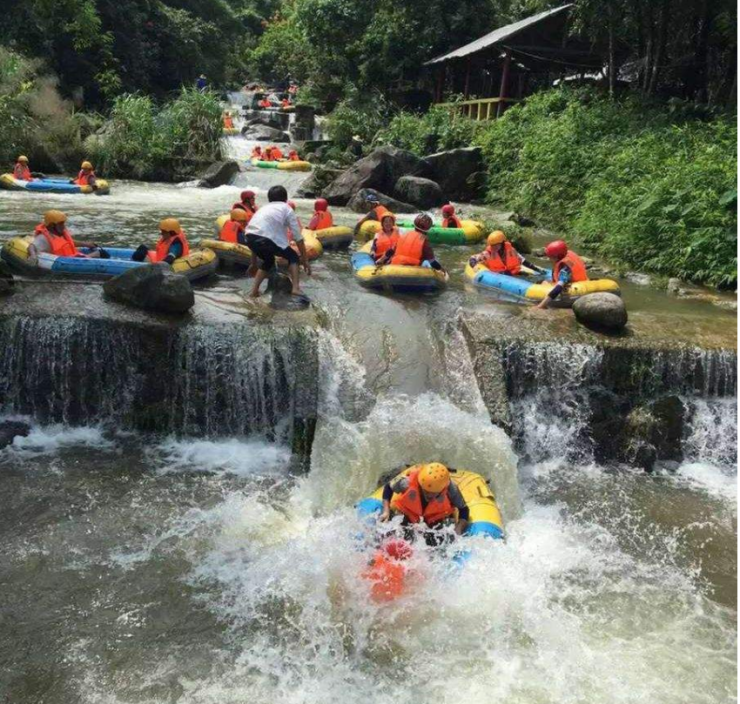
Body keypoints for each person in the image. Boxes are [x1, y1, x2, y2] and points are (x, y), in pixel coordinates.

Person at [245, 184, 311, 297]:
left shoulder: (262, 209)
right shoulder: (287, 208)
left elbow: (256, 235)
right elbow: (298, 238)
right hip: (267, 239)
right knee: (293, 256)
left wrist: (253, 263)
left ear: (269, 199)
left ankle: (254, 291)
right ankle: (295, 288)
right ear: (285, 199)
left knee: (269, 261)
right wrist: (305, 260)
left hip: (249, 237)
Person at [379, 463, 469, 544]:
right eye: (426, 491)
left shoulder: (451, 489)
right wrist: (386, 511)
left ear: (442, 489)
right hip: (410, 517)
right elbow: (388, 487)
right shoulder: (407, 483)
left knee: (437, 543)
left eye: (433, 493)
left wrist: (458, 529)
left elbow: (464, 509)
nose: (429, 495)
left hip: (435, 522)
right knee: (392, 536)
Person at [28, 210, 106, 262]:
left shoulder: (58, 233)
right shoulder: (43, 238)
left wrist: (86, 244)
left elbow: (70, 242)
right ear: (52, 226)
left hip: (71, 258)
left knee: (102, 253)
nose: (64, 226)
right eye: (61, 224)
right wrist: (33, 255)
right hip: (64, 261)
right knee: (100, 254)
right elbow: (31, 247)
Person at [537, 240, 589, 309]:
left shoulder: (565, 268)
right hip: (584, 282)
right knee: (544, 281)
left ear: (556, 257)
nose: (549, 258)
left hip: (574, 288)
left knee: (542, 282)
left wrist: (541, 305)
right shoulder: (568, 254)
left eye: (550, 257)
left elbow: (559, 287)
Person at [469, 231, 546, 277]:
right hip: (498, 276)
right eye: (492, 245)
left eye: (495, 245)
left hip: (512, 274)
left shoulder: (511, 251)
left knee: (530, 276)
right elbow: (473, 258)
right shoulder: (488, 253)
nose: (493, 247)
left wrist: (538, 270)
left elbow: (523, 261)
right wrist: (474, 265)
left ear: (502, 243)